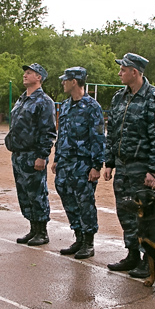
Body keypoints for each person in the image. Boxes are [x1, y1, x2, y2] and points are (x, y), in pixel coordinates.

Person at [102, 53, 155, 278]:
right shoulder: (118, 98)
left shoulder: (154, 97)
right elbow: (111, 132)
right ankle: (132, 253)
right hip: (122, 166)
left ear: (135, 71)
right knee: (124, 211)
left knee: (145, 215)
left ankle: (147, 260)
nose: (120, 73)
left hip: (142, 168)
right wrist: (109, 162)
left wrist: (154, 169)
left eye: (123, 69)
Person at [51, 66, 105, 259]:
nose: (63, 82)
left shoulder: (92, 107)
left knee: (85, 202)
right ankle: (79, 236)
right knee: (67, 198)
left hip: (83, 163)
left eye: (66, 79)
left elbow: (98, 137)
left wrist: (96, 166)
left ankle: (89, 242)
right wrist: (57, 159)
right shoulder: (65, 106)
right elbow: (61, 134)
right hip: (65, 163)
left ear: (75, 81)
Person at [5, 63, 57, 246]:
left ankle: (42, 231)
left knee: (37, 193)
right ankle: (33, 229)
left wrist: (42, 156)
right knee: (25, 193)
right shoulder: (22, 99)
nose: (25, 75)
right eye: (25, 73)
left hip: (33, 154)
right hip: (19, 154)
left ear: (39, 77)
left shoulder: (44, 101)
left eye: (29, 73)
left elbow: (48, 131)